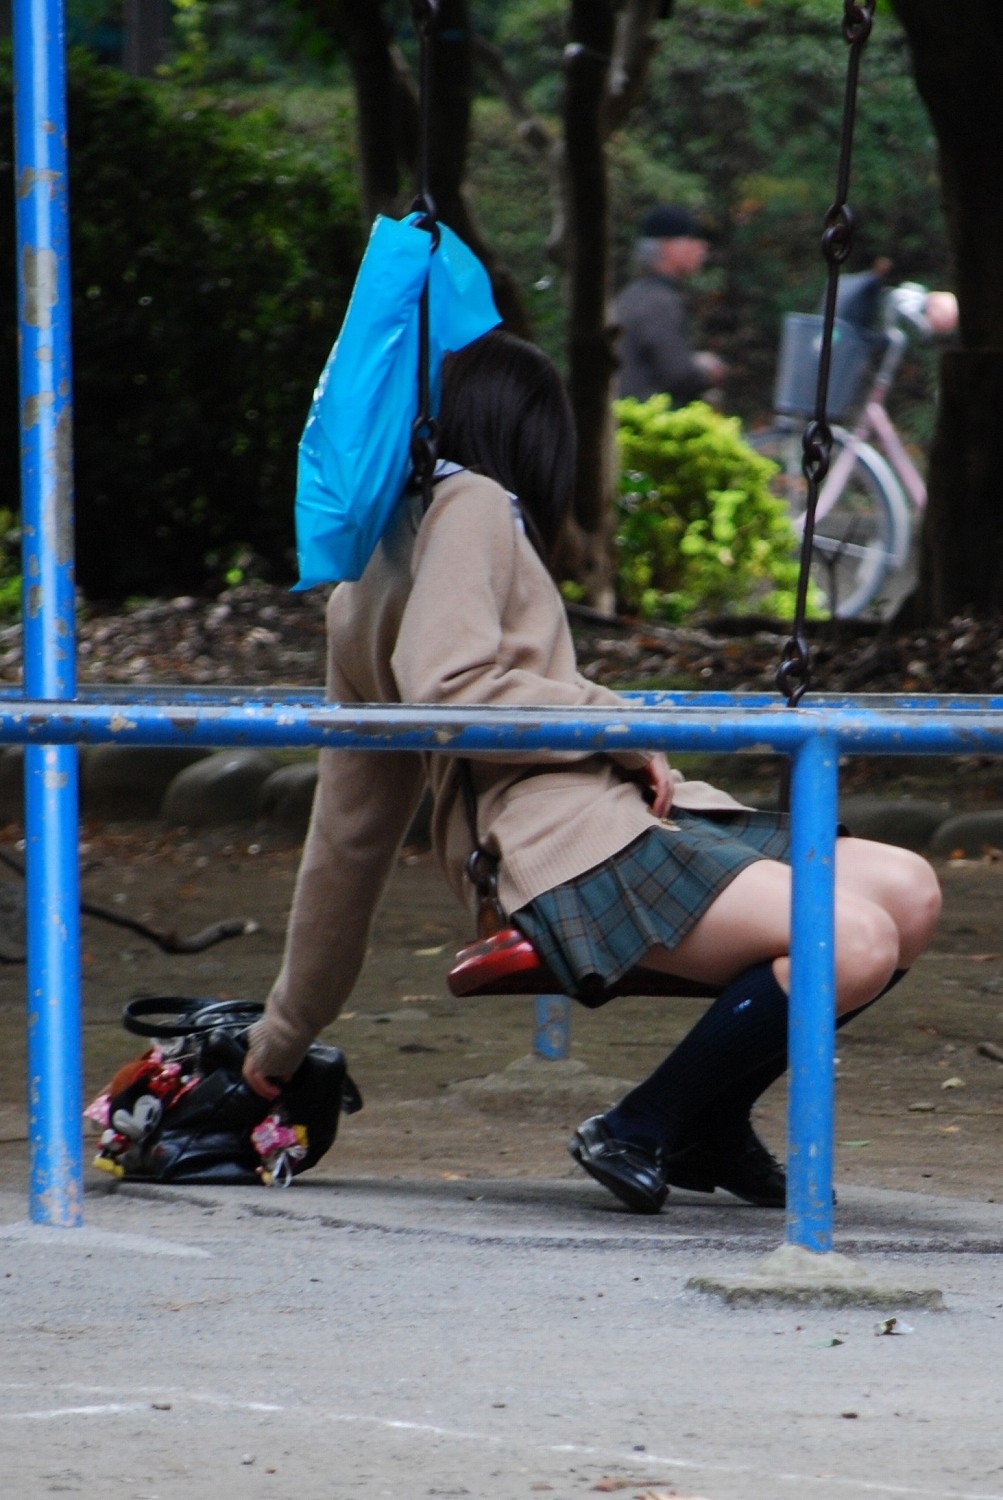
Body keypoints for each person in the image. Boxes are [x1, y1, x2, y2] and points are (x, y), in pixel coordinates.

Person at [243, 328, 942, 1215]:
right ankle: (640, 1124)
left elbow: (346, 835)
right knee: (850, 939)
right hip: (563, 848)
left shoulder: (378, 558)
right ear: (535, 435)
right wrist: (617, 729)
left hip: (610, 824)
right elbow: (450, 692)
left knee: (908, 889)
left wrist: (284, 1034)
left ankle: (706, 1123)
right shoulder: (472, 501)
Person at [614, 204, 728, 406]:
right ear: (666, 245)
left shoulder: (634, 295)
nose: (702, 246)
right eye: (692, 238)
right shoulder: (659, 301)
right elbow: (679, 375)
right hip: (647, 420)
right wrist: (707, 370)